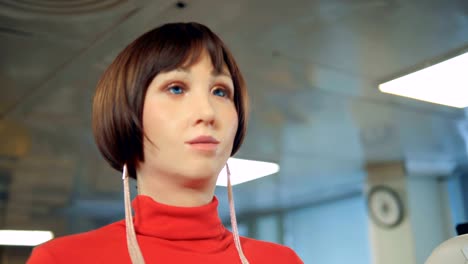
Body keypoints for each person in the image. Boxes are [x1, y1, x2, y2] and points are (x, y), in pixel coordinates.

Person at [27, 22, 303, 263]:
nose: (207, 113)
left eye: (220, 91)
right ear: (126, 111)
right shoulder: (64, 260)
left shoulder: (281, 261)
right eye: (176, 88)